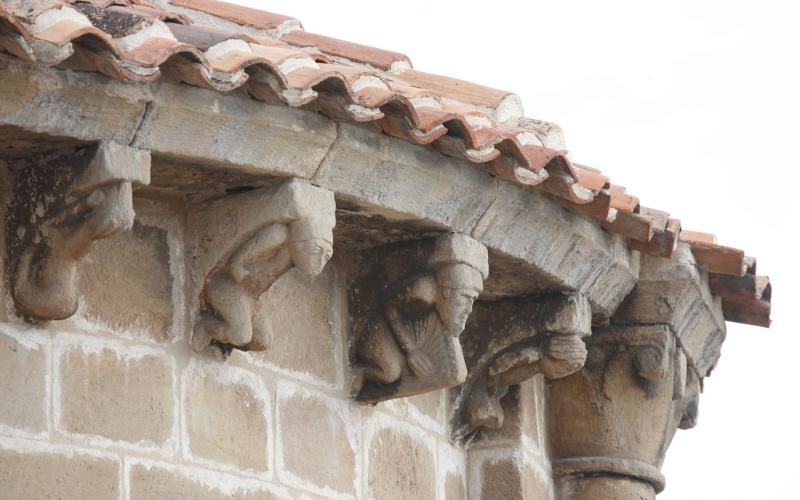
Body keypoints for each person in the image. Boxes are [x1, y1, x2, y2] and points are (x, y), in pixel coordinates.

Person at [354, 234, 488, 401]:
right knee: (391, 373)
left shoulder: (444, 308)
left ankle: (375, 392)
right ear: (447, 292)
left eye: (473, 300)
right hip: (381, 325)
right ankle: (362, 373)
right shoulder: (425, 291)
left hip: (406, 330)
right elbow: (389, 308)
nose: (469, 309)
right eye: (465, 298)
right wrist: (411, 350)